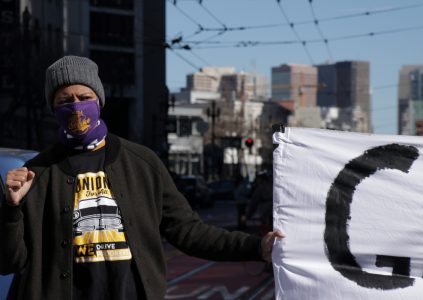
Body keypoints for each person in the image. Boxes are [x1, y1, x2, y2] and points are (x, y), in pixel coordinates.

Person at [0, 56, 284, 300]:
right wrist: (11, 209)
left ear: (98, 100)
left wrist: (256, 246)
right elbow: (9, 261)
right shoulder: (37, 173)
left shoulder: (142, 163)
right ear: (53, 108)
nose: (75, 107)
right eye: (65, 100)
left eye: (83, 98)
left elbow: (190, 232)